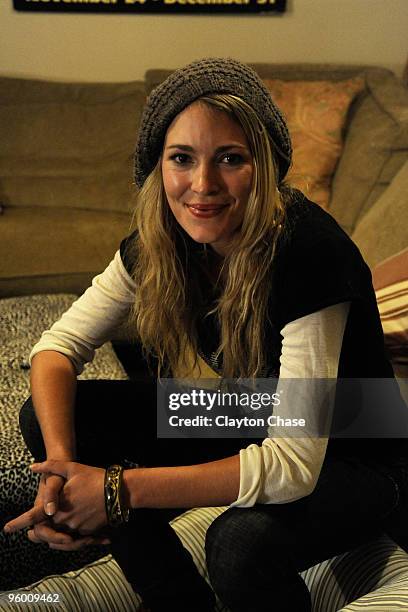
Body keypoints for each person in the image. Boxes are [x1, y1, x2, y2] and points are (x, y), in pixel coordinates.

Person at [3, 58, 408, 612]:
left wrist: (116, 489)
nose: (203, 186)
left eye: (231, 159)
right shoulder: (161, 240)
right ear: (158, 168)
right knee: (49, 413)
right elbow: (56, 348)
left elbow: (293, 463)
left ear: (264, 166)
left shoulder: (309, 252)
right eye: (182, 159)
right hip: (249, 411)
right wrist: (64, 471)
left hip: (361, 445)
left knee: (238, 544)